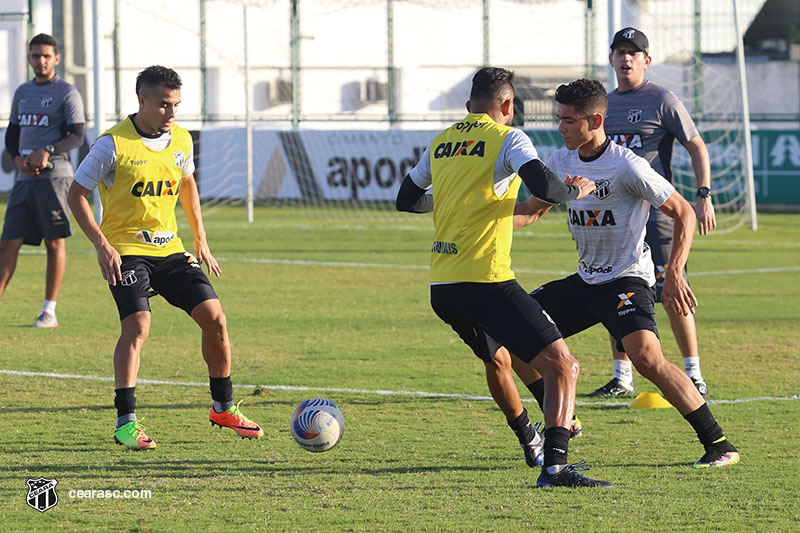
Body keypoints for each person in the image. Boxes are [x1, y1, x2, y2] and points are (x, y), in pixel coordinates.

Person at [396, 66, 611, 487]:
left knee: (501, 359)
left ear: (468, 106)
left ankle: (532, 439)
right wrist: (576, 190)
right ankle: (556, 468)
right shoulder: (509, 138)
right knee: (563, 365)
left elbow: (407, 199)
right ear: (508, 105)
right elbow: (545, 187)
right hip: (486, 280)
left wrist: (454, 201)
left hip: (443, 286)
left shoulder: (441, 142)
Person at [514, 78, 738, 468]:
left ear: (595, 120)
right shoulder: (560, 162)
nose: (560, 127)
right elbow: (531, 212)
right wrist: (476, 220)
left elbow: (683, 212)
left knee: (647, 358)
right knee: (512, 335)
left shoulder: (627, 166)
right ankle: (565, 417)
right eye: (559, 118)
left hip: (626, 279)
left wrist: (675, 273)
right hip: (585, 280)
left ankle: (719, 443)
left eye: (568, 120)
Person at [67, 65, 262, 450]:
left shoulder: (182, 140)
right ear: (142, 100)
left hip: (169, 249)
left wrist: (201, 238)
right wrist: (102, 245)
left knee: (215, 319)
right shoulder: (112, 145)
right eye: (163, 105)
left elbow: (187, 183)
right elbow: (76, 195)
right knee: (138, 326)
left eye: (176, 105)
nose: (171, 113)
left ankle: (223, 408)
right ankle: (126, 423)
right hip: (126, 251)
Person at [588, 27, 715, 398]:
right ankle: (621, 377)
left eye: (633, 52)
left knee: (673, 289)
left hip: (658, 215)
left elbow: (697, 145)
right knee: (613, 289)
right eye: (620, 51)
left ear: (647, 60)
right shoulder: (604, 104)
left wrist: (703, 195)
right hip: (617, 218)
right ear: (611, 59)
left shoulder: (662, 99)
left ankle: (693, 373)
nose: (626, 58)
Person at [1, 33, 85, 327]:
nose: (41, 61)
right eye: (36, 56)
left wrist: (47, 150)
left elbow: (77, 135)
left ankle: (49, 310)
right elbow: (13, 133)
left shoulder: (67, 93)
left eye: (46, 56)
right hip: (24, 179)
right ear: (29, 58)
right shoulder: (22, 92)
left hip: (55, 178)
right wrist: (17, 159)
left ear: (56, 59)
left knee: (54, 243)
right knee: (7, 242)